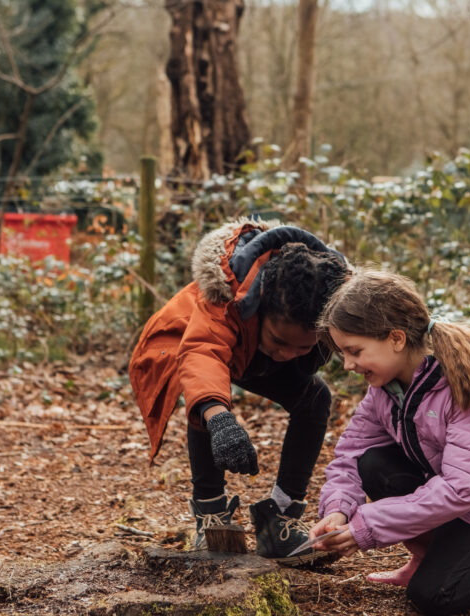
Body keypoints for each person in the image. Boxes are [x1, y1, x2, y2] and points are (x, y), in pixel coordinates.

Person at [308, 270, 470, 616]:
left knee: (433, 596)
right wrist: (338, 509)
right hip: (454, 503)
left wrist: (366, 526)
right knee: (372, 463)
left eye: (354, 350)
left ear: (397, 339)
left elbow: (462, 489)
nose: (347, 364)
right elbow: (351, 455)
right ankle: (427, 557)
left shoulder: (464, 388)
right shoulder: (384, 393)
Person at [129, 218, 349, 564]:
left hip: (250, 353)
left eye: (302, 348)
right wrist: (219, 420)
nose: (287, 354)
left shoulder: (332, 303)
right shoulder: (226, 292)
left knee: (315, 398)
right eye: (280, 341)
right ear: (260, 306)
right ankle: (211, 515)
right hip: (184, 340)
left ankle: (279, 519)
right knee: (208, 403)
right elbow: (202, 354)